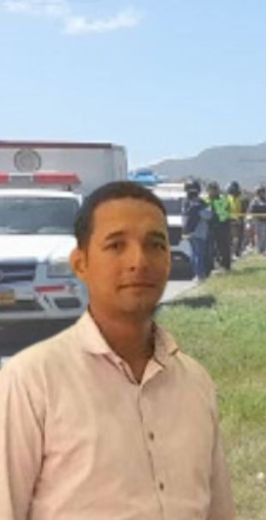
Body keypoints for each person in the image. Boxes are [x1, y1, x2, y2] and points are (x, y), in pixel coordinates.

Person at [0, 181, 235, 519]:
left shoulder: (194, 382)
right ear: (80, 264)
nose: (139, 261)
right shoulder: (31, 382)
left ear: (170, 259)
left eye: (155, 245)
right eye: (116, 245)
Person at [182, 181, 212, 281]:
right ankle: (200, 275)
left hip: (189, 232)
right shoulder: (200, 203)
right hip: (200, 232)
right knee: (199, 254)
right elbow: (208, 215)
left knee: (194, 253)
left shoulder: (185, 203)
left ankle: (196, 274)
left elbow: (184, 217)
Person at [206, 181, 233, 272]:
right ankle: (211, 266)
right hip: (209, 227)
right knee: (210, 248)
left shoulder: (222, 199)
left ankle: (225, 265)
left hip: (222, 226)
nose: (213, 191)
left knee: (224, 247)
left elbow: (224, 213)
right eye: (211, 190)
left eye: (215, 189)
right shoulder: (206, 200)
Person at [249, 186, 266, 257]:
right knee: (261, 237)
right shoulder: (255, 201)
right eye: (261, 192)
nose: (263, 193)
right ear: (258, 192)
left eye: (264, 191)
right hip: (260, 221)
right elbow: (252, 210)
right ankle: (261, 250)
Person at [227, 182, 246, 258]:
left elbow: (243, 210)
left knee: (238, 238)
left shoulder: (241, 199)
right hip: (230, 221)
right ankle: (231, 253)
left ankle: (237, 252)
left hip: (239, 221)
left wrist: (241, 219)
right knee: (231, 239)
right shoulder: (227, 198)